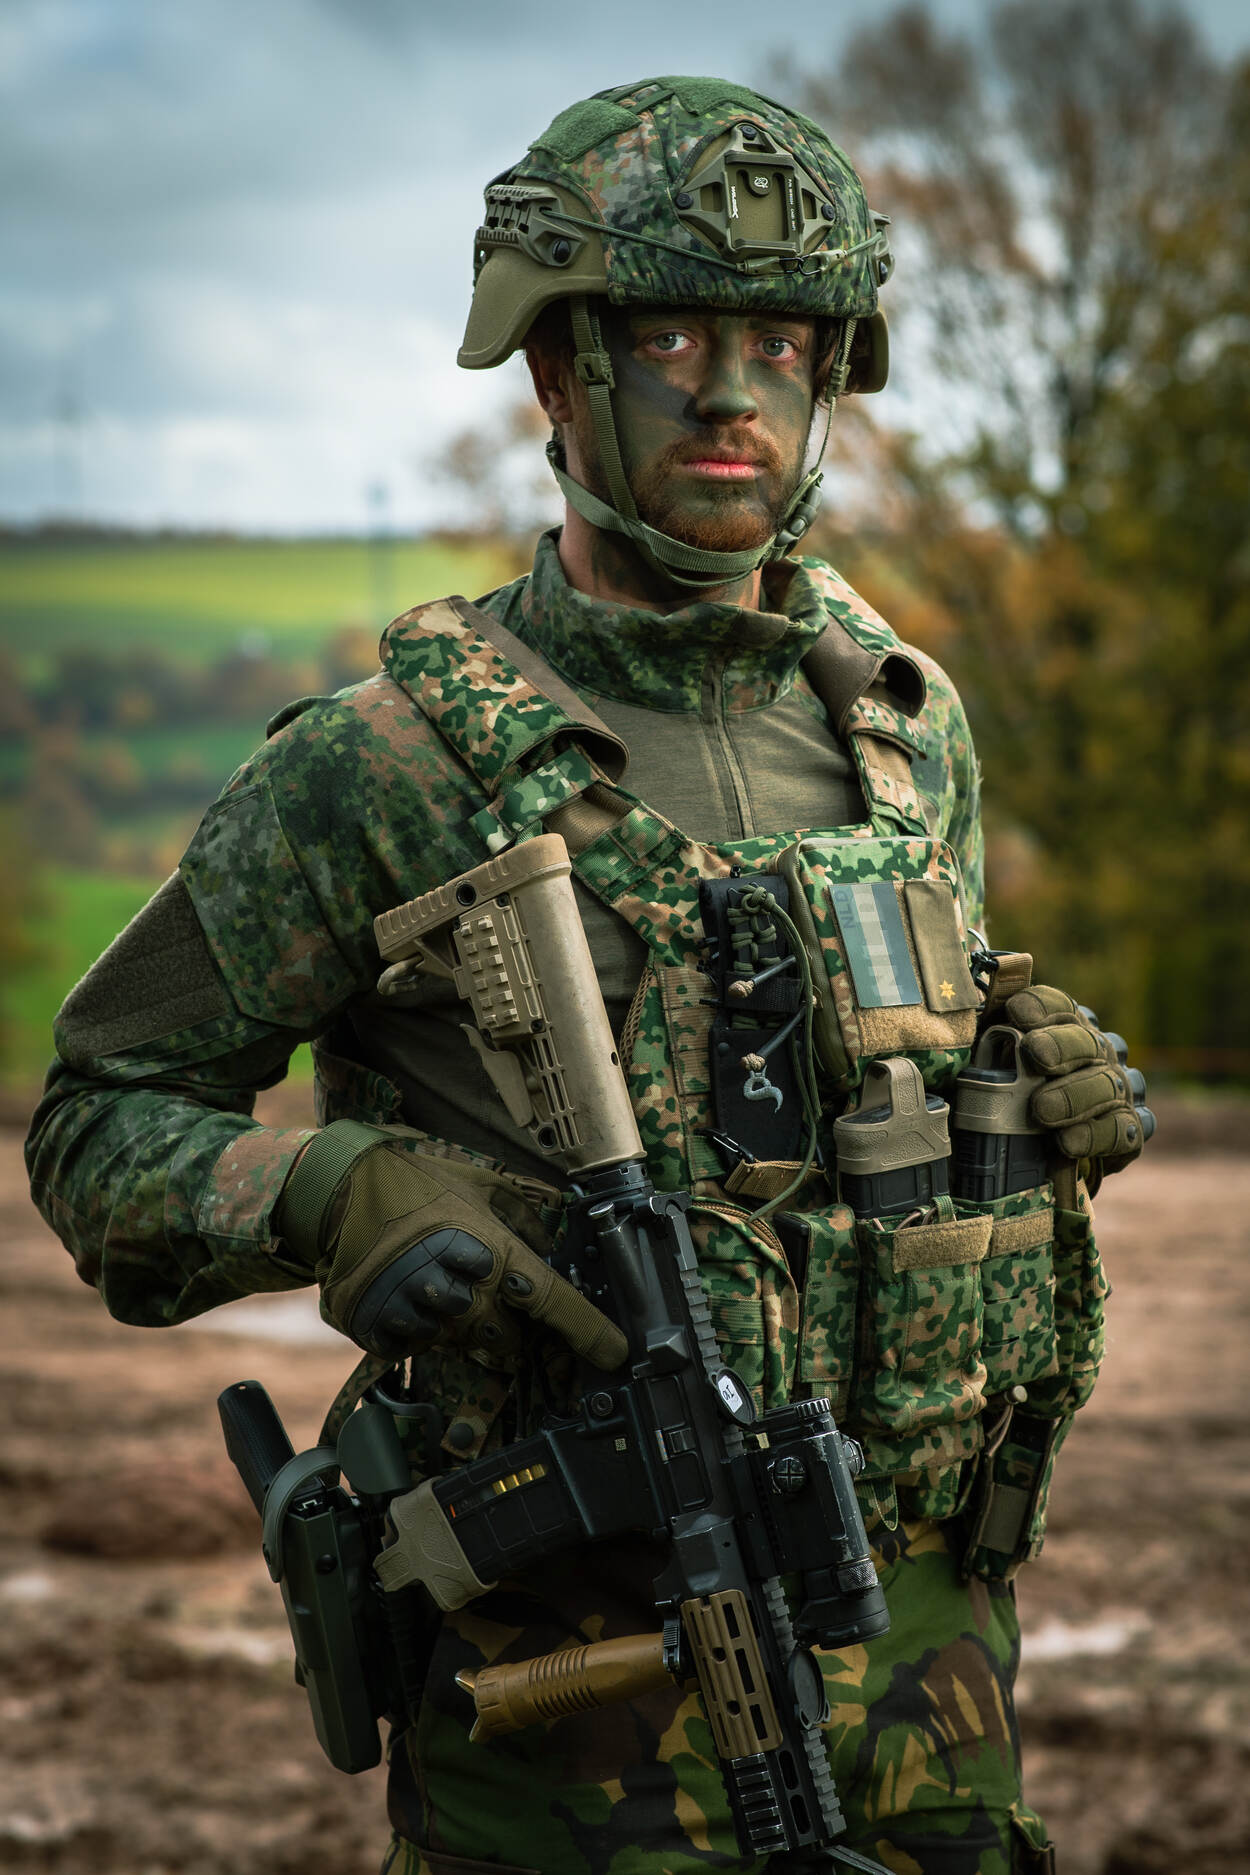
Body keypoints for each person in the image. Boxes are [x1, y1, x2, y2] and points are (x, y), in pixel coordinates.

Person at [26, 77, 1150, 1875]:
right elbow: (101, 1117)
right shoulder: (385, 764)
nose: (730, 395)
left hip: (925, 1676)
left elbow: (907, 1077)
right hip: (568, 1704)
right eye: (670, 341)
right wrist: (326, 1190)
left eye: (778, 345)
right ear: (557, 372)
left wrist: (1048, 1086)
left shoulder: (899, 726)